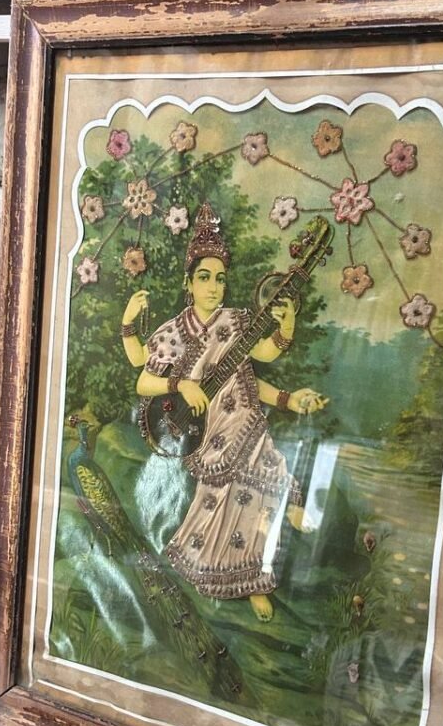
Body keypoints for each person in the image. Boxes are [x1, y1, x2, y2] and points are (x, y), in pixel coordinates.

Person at [120, 202, 327, 622]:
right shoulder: (173, 332)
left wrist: (286, 338)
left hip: (245, 421)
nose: (213, 287)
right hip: (204, 433)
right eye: (204, 277)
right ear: (188, 282)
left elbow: (257, 364)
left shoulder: (236, 321)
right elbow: (143, 380)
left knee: (262, 494)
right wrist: (182, 384)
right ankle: (219, 573)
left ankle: (257, 580)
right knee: (221, 506)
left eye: (220, 279)